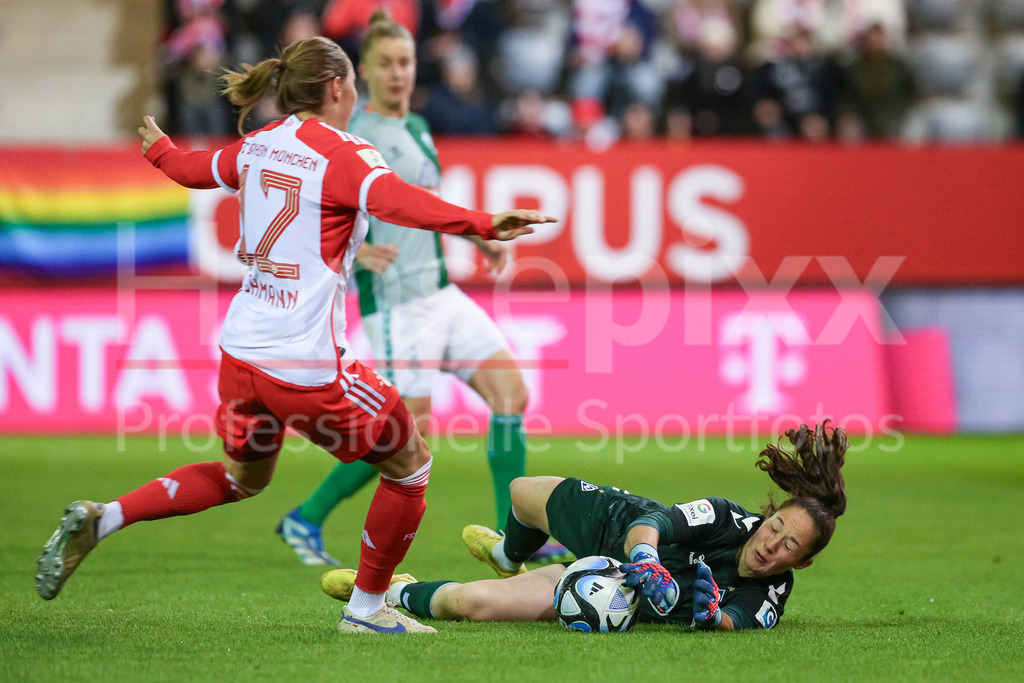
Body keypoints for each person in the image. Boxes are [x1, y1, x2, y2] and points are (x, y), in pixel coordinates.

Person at [34, 36, 554, 636]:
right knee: (410, 462)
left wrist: (161, 150)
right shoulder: (344, 154)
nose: (356, 89)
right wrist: (485, 222)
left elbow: (191, 170)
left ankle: (106, 517)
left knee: (240, 477)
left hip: (241, 354)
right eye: (353, 80)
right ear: (336, 88)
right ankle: (366, 611)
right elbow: (399, 202)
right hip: (304, 363)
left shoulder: (258, 144)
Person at [274, 10, 569, 568]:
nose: (398, 73)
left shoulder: (416, 127)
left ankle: (514, 540)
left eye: (405, 61)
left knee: (512, 395)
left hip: (440, 291)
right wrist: (356, 251)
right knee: (408, 434)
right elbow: (301, 209)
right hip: (395, 303)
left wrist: (480, 239)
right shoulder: (353, 135)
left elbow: (421, 207)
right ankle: (306, 517)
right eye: (384, 63)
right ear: (362, 70)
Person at [320, 422, 848, 631]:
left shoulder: (772, 591)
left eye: (788, 546)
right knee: (524, 492)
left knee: (470, 606)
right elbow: (656, 521)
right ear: (769, 513)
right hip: (627, 541)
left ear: (801, 560)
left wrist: (710, 615)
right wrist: (645, 558)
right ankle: (509, 554)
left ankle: (396, 592)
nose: (770, 544)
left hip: (609, 589)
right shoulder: (731, 516)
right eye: (776, 525)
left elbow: (738, 623)